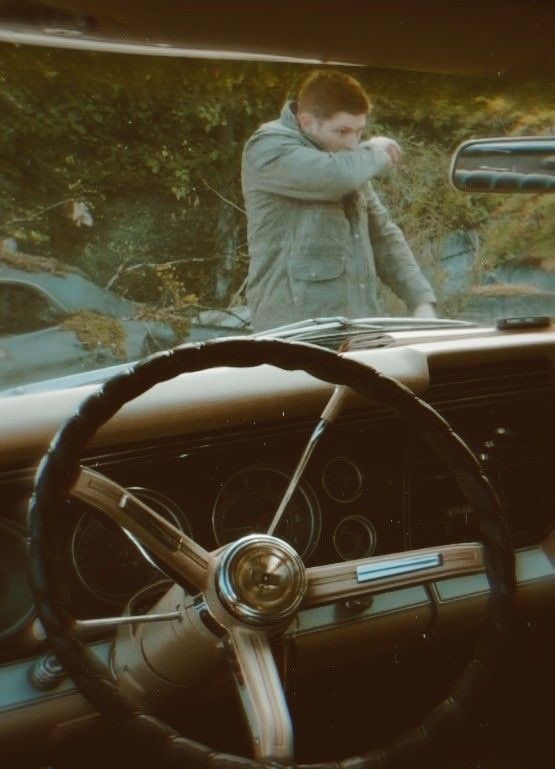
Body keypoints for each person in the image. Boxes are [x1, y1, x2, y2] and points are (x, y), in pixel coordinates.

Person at [241, 69, 437, 331]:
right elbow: (336, 176)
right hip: (293, 335)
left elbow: (383, 235)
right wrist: (375, 151)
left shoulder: (346, 162)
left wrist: (421, 300)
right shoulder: (268, 147)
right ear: (307, 121)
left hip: (357, 328)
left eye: (359, 132)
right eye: (342, 131)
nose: (352, 143)